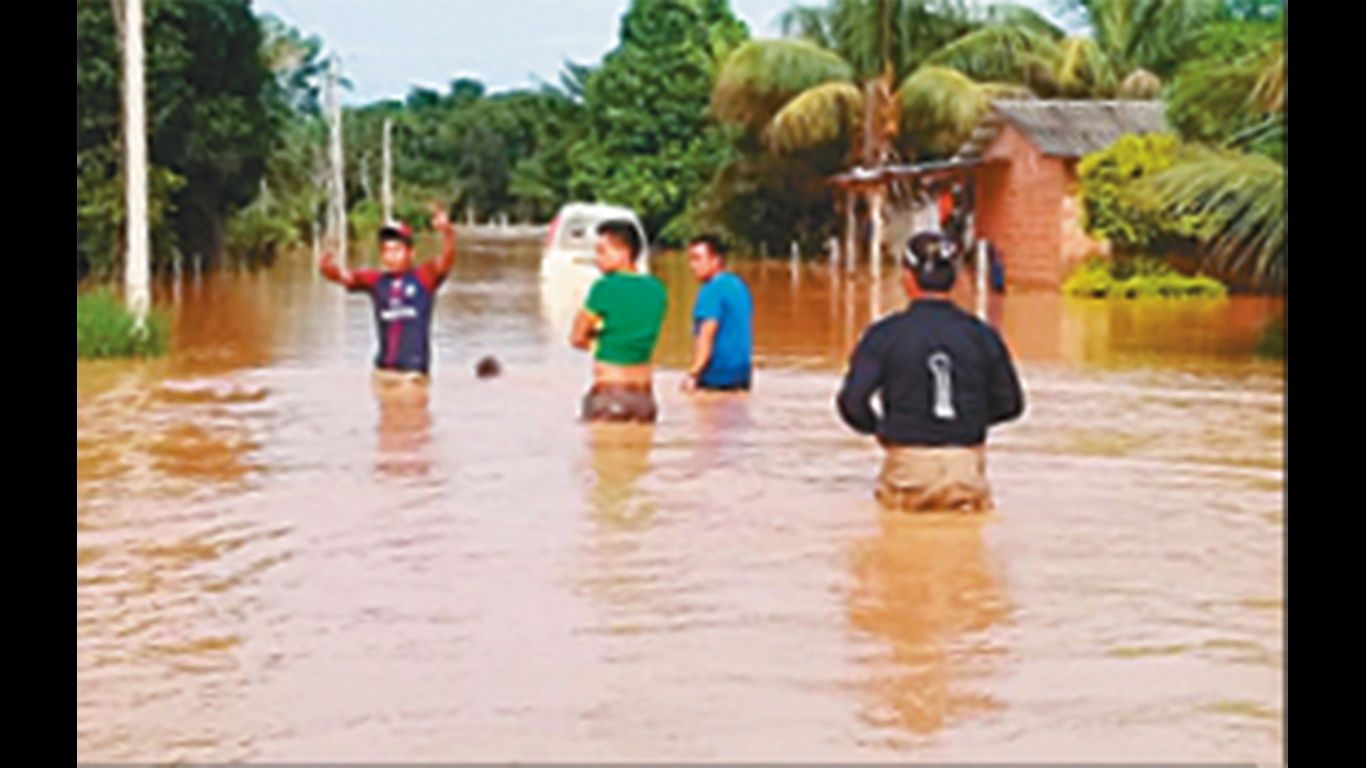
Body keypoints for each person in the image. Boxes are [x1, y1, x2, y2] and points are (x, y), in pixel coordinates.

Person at [836, 231, 1025, 512]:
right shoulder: (982, 335)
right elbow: (1011, 405)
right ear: (957, 278)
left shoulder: (885, 334)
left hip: (907, 466)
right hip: (966, 467)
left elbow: (852, 402)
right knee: (968, 550)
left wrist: (882, 430)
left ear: (907, 278)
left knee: (896, 548)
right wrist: (967, 422)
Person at [319, 202, 456, 387]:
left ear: (411, 253)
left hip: (412, 372)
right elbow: (347, 278)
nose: (391, 256)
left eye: (397, 250)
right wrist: (330, 271)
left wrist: (447, 233)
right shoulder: (376, 281)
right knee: (385, 415)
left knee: (413, 414)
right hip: (383, 370)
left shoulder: (424, 277)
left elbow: (446, 262)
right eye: (386, 251)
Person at [570, 220, 668, 422]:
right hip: (644, 398)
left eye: (602, 251)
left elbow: (576, 337)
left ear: (624, 252)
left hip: (610, 393)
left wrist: (595, 340)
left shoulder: (604, 288)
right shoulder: (657, 290)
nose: (597, 259)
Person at [682, 234, 754, 393]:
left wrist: (693, 373)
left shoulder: (710, 291)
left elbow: (707, 335)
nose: (692, 266)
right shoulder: (739, 286)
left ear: (715, 260)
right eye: (690, 259)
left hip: (715, 377)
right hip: (741, 375)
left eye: (697, 259)